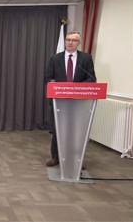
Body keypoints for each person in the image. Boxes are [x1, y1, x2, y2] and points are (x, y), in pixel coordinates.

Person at [44, 31, 96, 167]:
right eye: (68, 39)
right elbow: (48, 78)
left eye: (73, 40)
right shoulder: (55, 58)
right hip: (59, 102)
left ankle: (75, 159)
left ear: (78, 43)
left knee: (76, 131)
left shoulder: (86, 58)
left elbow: (91, 79)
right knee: (57, 130)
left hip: (78, 103)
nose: (70, 42)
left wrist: (76, 88)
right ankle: (56, 157)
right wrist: (54, 84)